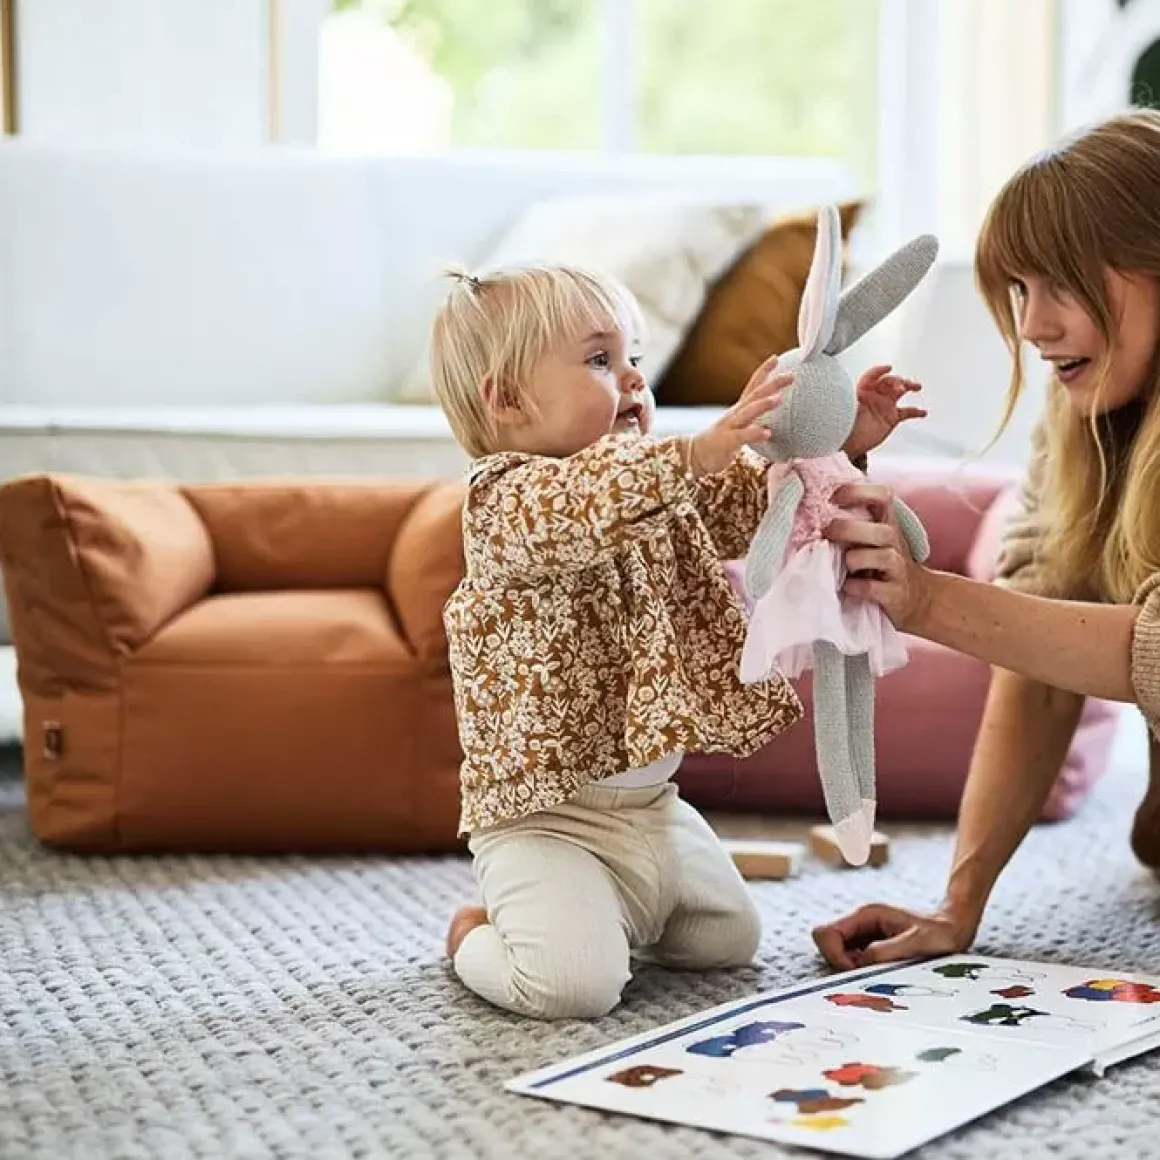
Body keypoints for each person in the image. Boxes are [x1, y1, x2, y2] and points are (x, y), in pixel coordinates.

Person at [428, 259, 922, 1018]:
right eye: (600, 360)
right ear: (508, 400)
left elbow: (756, 508)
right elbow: (584, 509)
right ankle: (477, 933)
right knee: (572, 991)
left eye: (635, 358)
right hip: (547, 822)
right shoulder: (506, 501)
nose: (632, 379)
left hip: (652, 808)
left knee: (729, 941)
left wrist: (838, 441)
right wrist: (699, 449)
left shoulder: (652, 481)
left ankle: (608, 912)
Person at [813, 107, 1160, 971]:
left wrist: (926, 597)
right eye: (1019, 288)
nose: (1034, 326)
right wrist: (956, 906)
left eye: (1062, 284)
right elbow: (1037, 650)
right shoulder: (1082, 415)